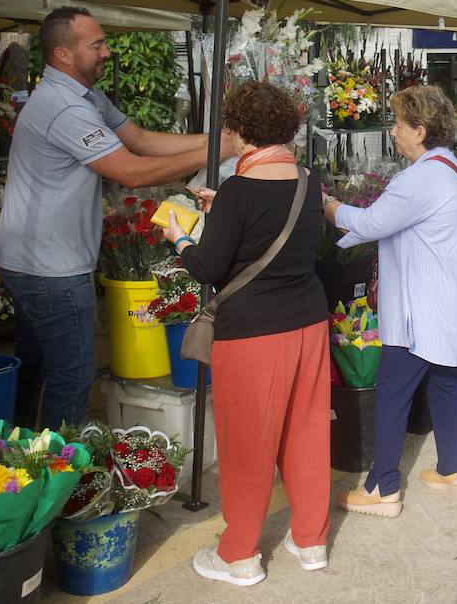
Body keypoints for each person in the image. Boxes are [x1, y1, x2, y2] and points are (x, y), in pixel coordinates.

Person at [0, 7, 228, 430]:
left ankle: (22, 452)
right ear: (63, 54)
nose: (106, 51)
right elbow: (130, 170)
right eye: (96, 45)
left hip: (33, 259)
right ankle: (56, 473)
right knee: (73, 372)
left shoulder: (84, 96)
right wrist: (221, 153)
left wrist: (223, 139)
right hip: (50, 266)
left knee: (38, 363)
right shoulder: (64, 108)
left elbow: (141, 139)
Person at [163, 83, 330, 585]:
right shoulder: (306, 178)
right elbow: (281, 231)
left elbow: (208, 267)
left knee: (247, 444)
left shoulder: (239, 188)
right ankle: (311, 540)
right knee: (306, 431)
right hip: (308, 322)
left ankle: (238, 554)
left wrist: (182, 237)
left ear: (240, 132)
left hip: (253, 333)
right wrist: (226, 211)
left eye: (229, 129)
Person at [326, 86, 457, 516]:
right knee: (445, 383)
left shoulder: (420, 178)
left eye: (398, 124)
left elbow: (370, 222)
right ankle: (453, 471)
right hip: (447, 306)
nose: (392, 132)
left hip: (421, 312)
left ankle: (382, 488)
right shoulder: (450, 168)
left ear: (421, 129)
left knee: (393, 391)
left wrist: (327, 206)